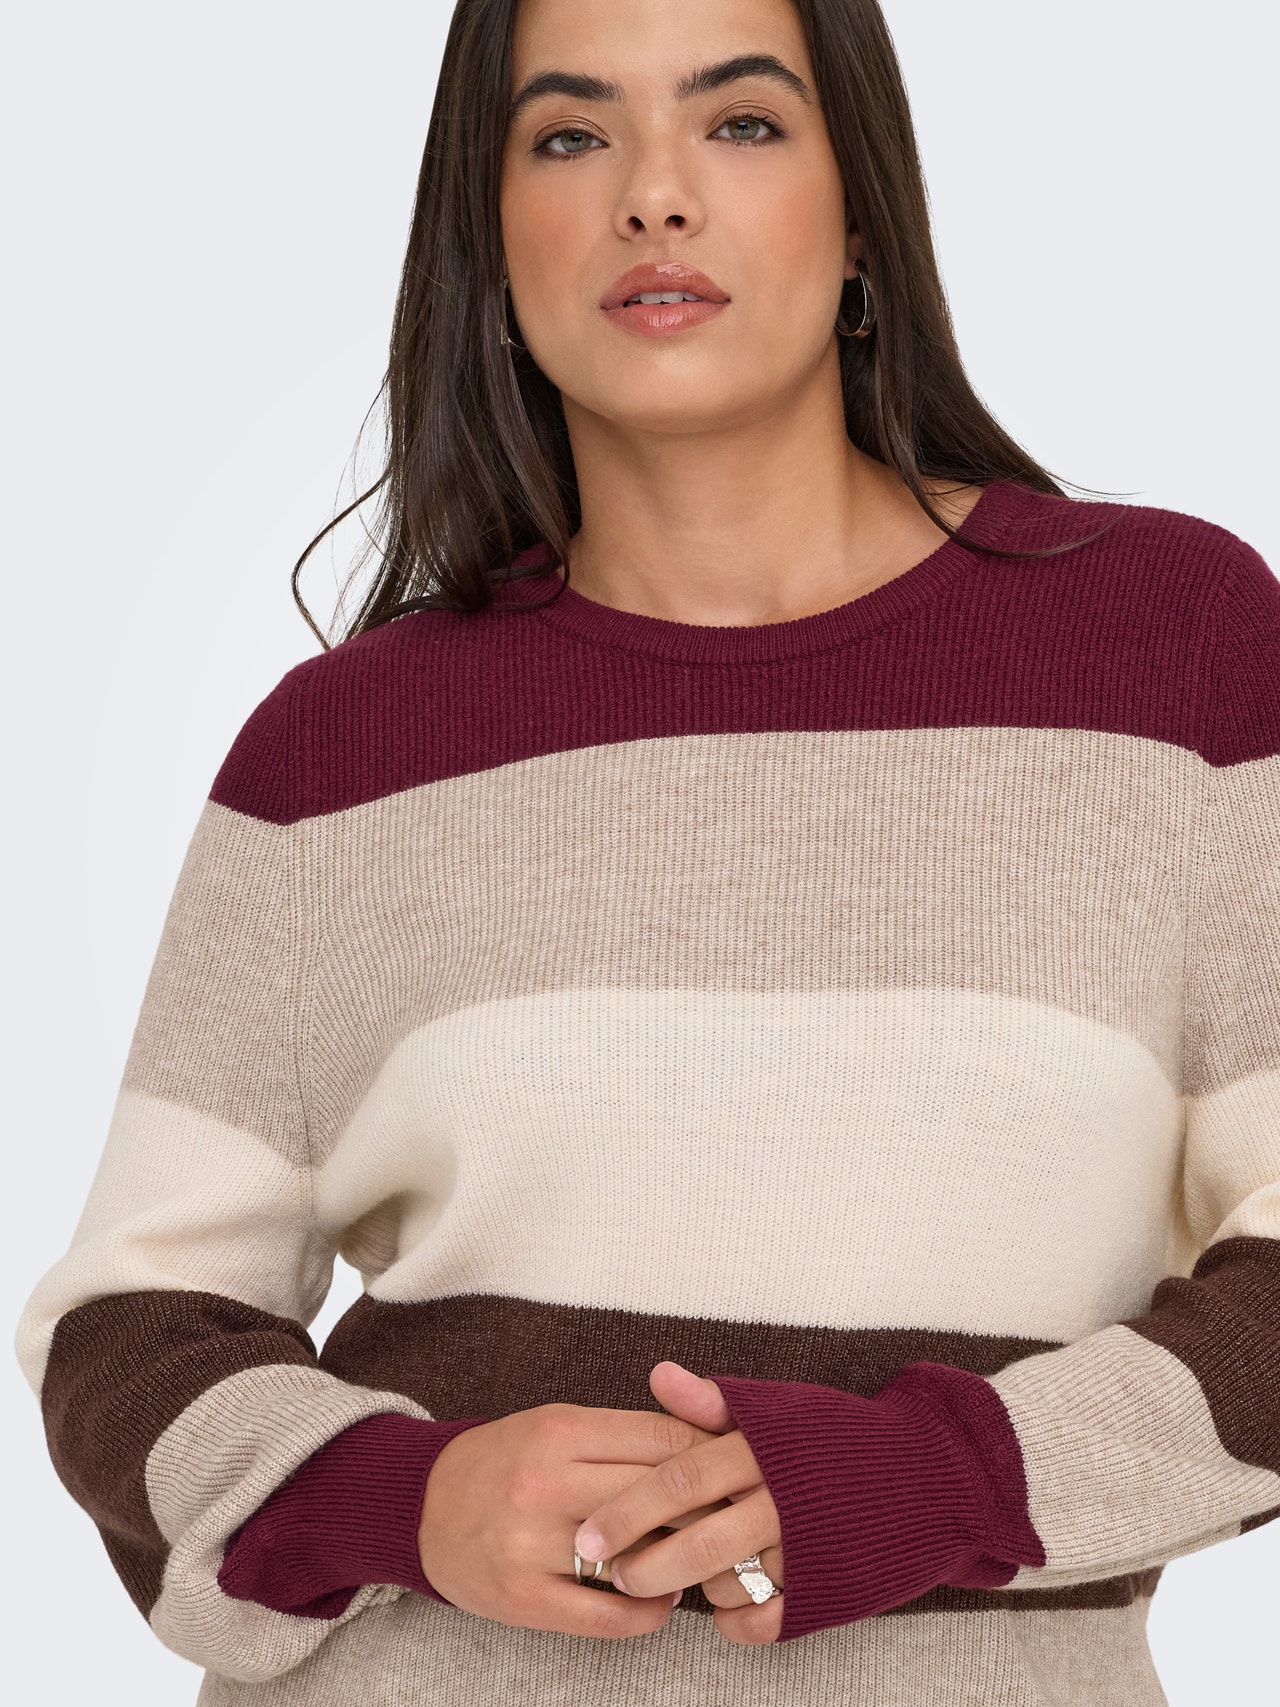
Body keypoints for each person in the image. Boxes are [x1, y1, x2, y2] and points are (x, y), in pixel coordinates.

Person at [16, 0, 1280, 1702]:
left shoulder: (1172, 652)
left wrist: (939, 1479)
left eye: (741, 122)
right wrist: (407, 1500)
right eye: (569, 135)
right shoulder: (342, 752)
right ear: (491, 240)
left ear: (862, 216)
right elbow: (127, 1330)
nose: (653, 195)